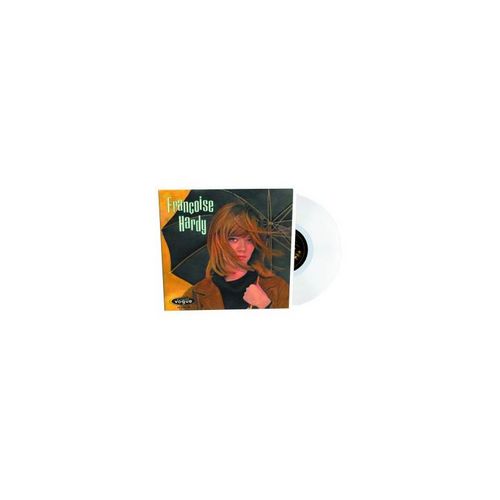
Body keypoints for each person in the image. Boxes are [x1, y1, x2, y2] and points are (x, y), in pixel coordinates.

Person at [181, 202, 289, 310]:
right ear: (217, 241)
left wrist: (265, 305)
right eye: (233, 239)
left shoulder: (278, 287)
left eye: (249, 240)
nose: (242, 248)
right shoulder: (195, 295)